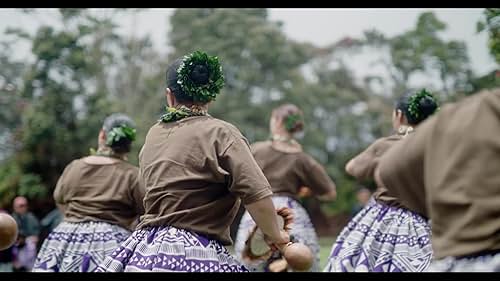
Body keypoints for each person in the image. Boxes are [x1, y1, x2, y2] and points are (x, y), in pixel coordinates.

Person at [96, 51, 290, 272]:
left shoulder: (153, 135)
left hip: (144, 252)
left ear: (169, 96)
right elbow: (256, 195)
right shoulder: (222, 133)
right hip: (196, 249)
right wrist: (276, 236)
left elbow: (145, 192)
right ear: (210, 95)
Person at [375, 88, 500, 272]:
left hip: (460, 256)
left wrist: (430, 207)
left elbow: (379, 170)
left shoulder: (462, 116)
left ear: (399, 116)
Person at [324, 89, 439, 272]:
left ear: (399, 115)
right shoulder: (438, 146)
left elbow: (352, 168)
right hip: (424, 222)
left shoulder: (386, 144)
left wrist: (380, 163)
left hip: (383, 217)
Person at [32, 113, 145, 272]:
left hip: (65, 239)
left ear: (102, 135)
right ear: (129, 143)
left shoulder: (75, 167)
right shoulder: (133, 174)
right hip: (112, 244)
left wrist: (75, 218)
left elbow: (59, 199)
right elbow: (144, 211)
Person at [234, 104, 337, 272]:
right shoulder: (303, 159)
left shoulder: (256, 150)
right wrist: (307, 191)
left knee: (245, 264)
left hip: (259, 210)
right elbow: (329, 194)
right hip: (292, 215)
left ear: (277, 122)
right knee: (303, 263)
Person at [10, 196, 40, 272]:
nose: (23, 207)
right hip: (15, 251)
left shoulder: (31, 218)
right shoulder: (11, 219)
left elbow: (36, 235)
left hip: (29, 251)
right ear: (14, 207)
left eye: (24, 205)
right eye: (20, 205)